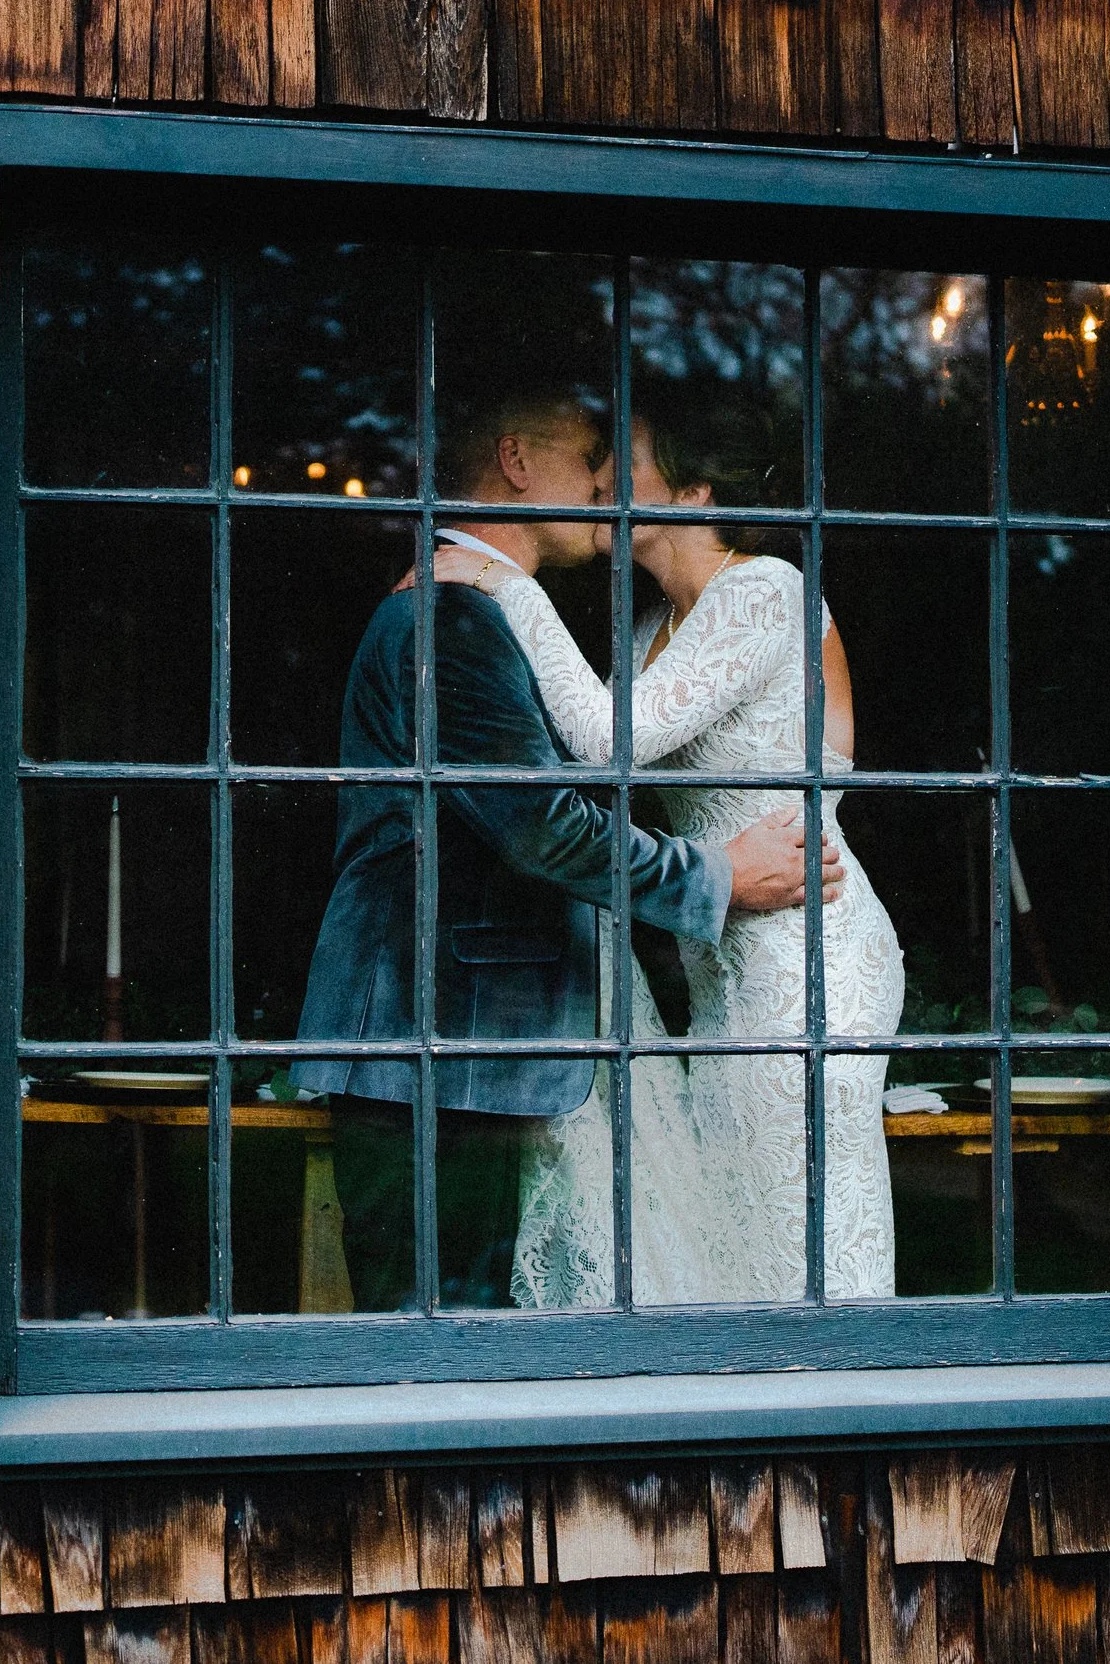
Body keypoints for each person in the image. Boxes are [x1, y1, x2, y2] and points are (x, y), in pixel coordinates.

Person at [291, 390, 840, 1310]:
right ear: (515, 459)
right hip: (437, 1047)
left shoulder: (481, 608)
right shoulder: (453, 615)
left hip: (462, 1046)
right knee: (446, 1344)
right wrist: (719, 876)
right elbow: (542, 825)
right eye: (589, 456)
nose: (604, 483)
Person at [429, 385, 907, 1304]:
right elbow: (582, 749)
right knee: (741, 1237)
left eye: (626, 460)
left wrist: (504, 583)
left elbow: (609, 737)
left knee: (806, 1242)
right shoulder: (654, 629)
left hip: (805, 956)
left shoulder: (764, 590)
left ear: (693, 496)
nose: (602, 476)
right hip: (724, 962)